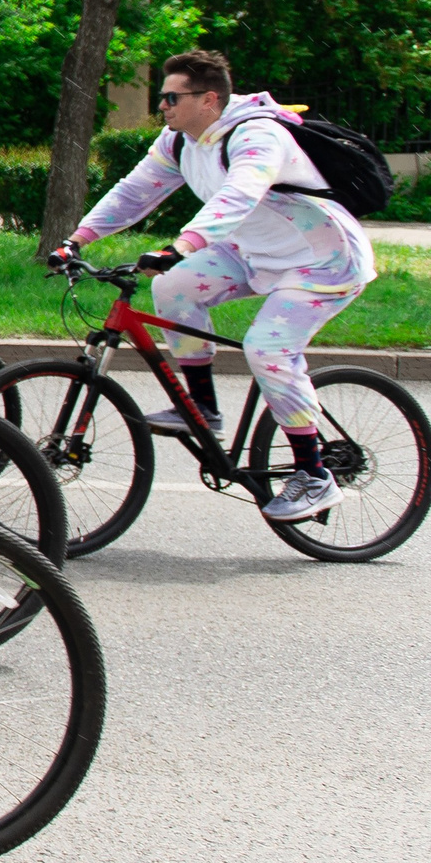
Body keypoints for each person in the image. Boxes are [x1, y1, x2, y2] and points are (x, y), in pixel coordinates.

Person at [57, 48, 375, 523]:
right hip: (251, 253)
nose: (161, 106)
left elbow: (240, 193)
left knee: (267, 349)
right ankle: (203, 409)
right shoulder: (179, 141)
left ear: (208, 99)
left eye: (170, 97)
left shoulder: (259, 135)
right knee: (173, 290)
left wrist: (182, 245)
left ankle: (314, 476)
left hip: (321, 260)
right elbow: (134, 191)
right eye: (159, 97)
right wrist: (77, 239)